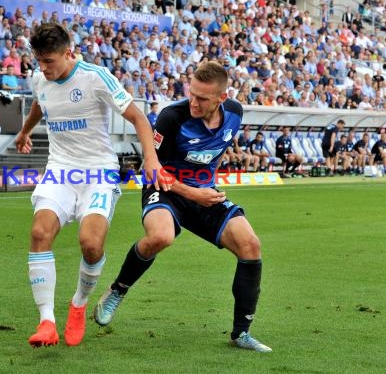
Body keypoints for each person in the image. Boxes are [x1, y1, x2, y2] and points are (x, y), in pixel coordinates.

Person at [94, 61, 272, 353]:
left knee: (250, 245)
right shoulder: (171, 117)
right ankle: (117, 290)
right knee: (160, 237)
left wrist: (206, 188)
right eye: (192, 94)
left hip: (203, 193)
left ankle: (241, 334)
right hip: (165, 189)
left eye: (202, 98)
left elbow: (215, 150)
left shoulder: (235, 114)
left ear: (221, 99)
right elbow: (152, 170)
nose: (194, 102)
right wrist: (193, 192)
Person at [14, 23, 165, 348]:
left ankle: (79, 305)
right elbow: (41, 102)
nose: (44, 68)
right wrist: (25, 131)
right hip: (60, 170)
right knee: (40, 234)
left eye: (50, 61)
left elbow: (139, 118)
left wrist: (150, 160)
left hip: (97, 172)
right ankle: (46, 322)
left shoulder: (95, 77)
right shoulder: (40, 78)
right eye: (39, 61)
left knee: (91, 244)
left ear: (68, 53)